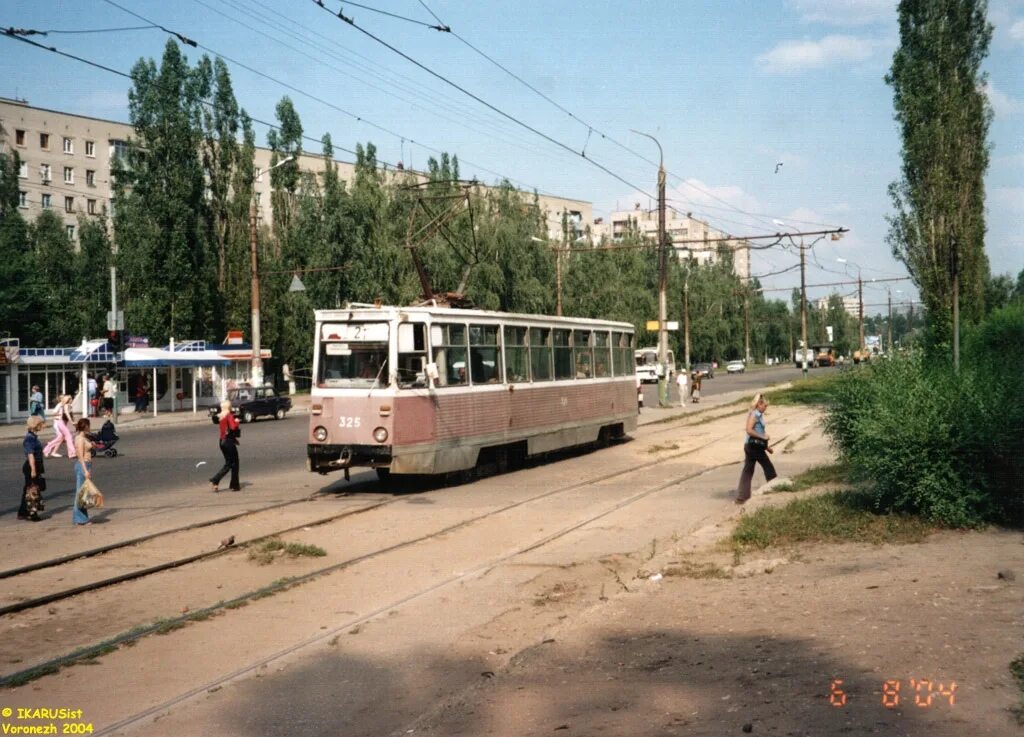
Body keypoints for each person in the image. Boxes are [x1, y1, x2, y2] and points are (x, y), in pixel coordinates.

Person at [735, 393, 778, 505]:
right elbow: (749, 430)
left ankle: (741, 497)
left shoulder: (757, 414)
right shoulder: (755, 415)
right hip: (754, 446)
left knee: (748, 470)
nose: (765, 408)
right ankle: (775, 489)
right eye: (765, 406)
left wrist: (767, 447)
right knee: (768, 468)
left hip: (752, 446)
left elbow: (759, 431)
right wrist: (763, 437)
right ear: (759, 404)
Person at [209, 400, 241, 492]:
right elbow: (232, 428)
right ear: (229, 407)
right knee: (233, 463)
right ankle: (217, 480)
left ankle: (227, 484)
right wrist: (237, 422)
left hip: (222, 441)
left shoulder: (221, 416)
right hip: (228, 442)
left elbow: (226, 431)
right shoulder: (229, 415)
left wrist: (234, 440)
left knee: (230, 463)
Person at [20, 416, 47, 521]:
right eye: (41, 424)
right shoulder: (30, 438)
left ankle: (22, 512)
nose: (43, 426)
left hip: (35, 466)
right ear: (36, 425)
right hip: (31, 466)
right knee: (32, 491)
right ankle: (32, 514)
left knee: (28, 489)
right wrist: (33, 470)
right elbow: (30, 455)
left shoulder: (33, 437)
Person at [72, 418, 94, 525]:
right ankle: (79, 519)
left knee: (83, 493)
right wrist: (85, 470)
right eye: (89, 425)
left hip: (86, 464)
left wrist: (92, 444)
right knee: (80, 493)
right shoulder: (80, 439)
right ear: (86, 426)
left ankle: (81, 518)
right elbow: (80, 455)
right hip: (83, 465)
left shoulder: (83, 437)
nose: (90, 427)